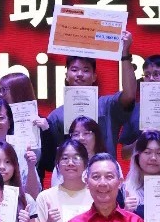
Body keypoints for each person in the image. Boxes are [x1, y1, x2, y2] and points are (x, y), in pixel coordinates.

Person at [35, 35, 137, 184]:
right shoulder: (56, 116)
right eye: (74, 70)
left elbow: (130, 94)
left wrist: (125, 54)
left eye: (86, 70)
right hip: (70, 184)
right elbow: (51, 156)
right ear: (67, 75)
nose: (80, 74)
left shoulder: (107, 105)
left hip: (105, 180)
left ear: (94, 76)